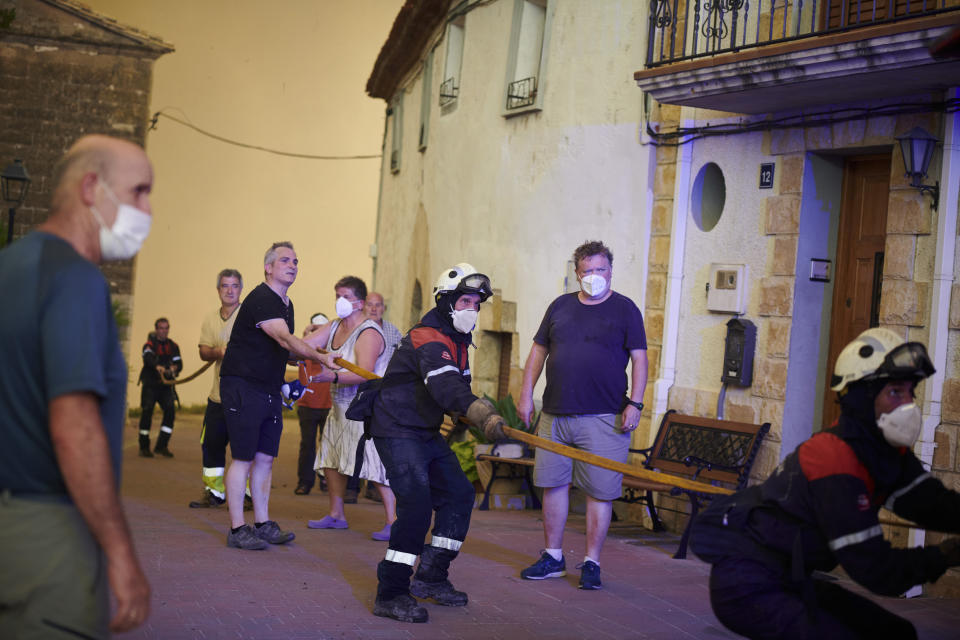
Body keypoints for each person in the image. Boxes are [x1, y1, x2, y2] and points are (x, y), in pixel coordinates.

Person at [689, 327, 960, 639]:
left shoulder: (882, 451)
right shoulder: (834, 459)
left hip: (787, 578)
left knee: (895, 633)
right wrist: (947, 555)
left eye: (910, 392)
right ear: (862, 396)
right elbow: (876, 570)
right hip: (747, 586)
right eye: (895, 392)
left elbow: (933, 504)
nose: (908, 404)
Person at [0, 134, 153, 636]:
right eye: (139, 192)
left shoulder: (12, 266)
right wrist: (121, 552)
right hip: (49, 533)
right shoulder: (76, 279)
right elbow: (75, 426)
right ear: (92, 187)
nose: (147, 209)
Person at [369, 263, 507, 623]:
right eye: (464, 301)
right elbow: (445, 387)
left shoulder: (458, 340)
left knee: (459, 495)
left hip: (424, 432)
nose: (471, 310)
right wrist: (484, 415)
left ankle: (431, 576)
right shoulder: (427, 335)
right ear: (445, 302)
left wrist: (476, 413)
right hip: (398, 429)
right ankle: (392, 593)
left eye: (476, 304)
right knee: (415, 506)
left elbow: (458, 390)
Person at [518, 240, 648, 590]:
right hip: (556, 414)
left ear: (611, 271)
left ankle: (592, 562)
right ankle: (553, 557)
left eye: (600, 270)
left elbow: (639, 358)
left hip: (605, 417)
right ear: (577, 273)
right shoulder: (559, 307)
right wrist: (526, 395)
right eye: (587, 271)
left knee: (600, 492)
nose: (594, 276)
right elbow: (537, 353)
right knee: (553, 486)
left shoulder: (625, 310)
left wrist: (635, 403)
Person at [219, 241, 339, 550]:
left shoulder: (287, 304)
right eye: (285, 260)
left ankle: (262, 523)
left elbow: (283, 351)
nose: (293, 265)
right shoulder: (261, 297)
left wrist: (314, 352)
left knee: (265, 459)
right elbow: (285, 339)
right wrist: (319, 356)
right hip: (242, 385)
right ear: (268, 267)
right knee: (243, 458)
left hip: (268, 387)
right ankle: (237, 529)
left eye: (296, 261)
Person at [308, 276, 396, 540]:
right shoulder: (334, 326)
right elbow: (307, 345)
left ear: (359, 301)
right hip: (338, 408)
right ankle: (336, 514)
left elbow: (365, 373)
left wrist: (331, 377)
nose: (339, 301)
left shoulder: (368, 332)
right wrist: (285, 342)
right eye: (337, 295)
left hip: (364, 411)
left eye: (345, 296)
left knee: (375, 465)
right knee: (332, 460)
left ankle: (394, 521)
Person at [189, 268, 244, 508]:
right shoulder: (211, 318)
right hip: (217, 397)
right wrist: (217, 352)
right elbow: (203, 352)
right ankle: (214, 492)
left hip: (243, 398)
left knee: (245, 447)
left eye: (234, 286)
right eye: (225, 286)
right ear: (218, 290)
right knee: (211, 444)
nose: (230, 290)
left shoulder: (247, 317)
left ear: (241, 289)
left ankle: (248, 494)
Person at [362, 291, 403, 501]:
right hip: (358, 393)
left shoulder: (392, 331)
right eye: (370, 304)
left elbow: (401, 357)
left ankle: (376, 486)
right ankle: (353, 487)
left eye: (378, 305)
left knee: (378, 444)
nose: (374, 308)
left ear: (383, 308)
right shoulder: (357, 329)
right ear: (363, 306)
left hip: (385, 395)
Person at [294, 312, 333, 496]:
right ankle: (304, 482)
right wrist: (306, 336)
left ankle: (325, 479)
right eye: (314, 327)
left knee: (327, 445)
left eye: (321, 328)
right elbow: (296, 356)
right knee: (307, 444)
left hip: (329, 404)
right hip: (307, 403)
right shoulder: (304, 347)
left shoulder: (332, 348)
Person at [137, 317, 183, 457]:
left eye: (166, 328)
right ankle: (144, 447)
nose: (163, 331)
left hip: (166, 387)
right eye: (161, 328)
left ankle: (161, 446)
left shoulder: (173, 346)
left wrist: (174, 368)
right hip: (150, 385)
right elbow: (148, 358)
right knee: (147, 412)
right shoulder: (149, 345)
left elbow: (179, 363)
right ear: (156, 329)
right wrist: (158, 367)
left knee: (170, 411)